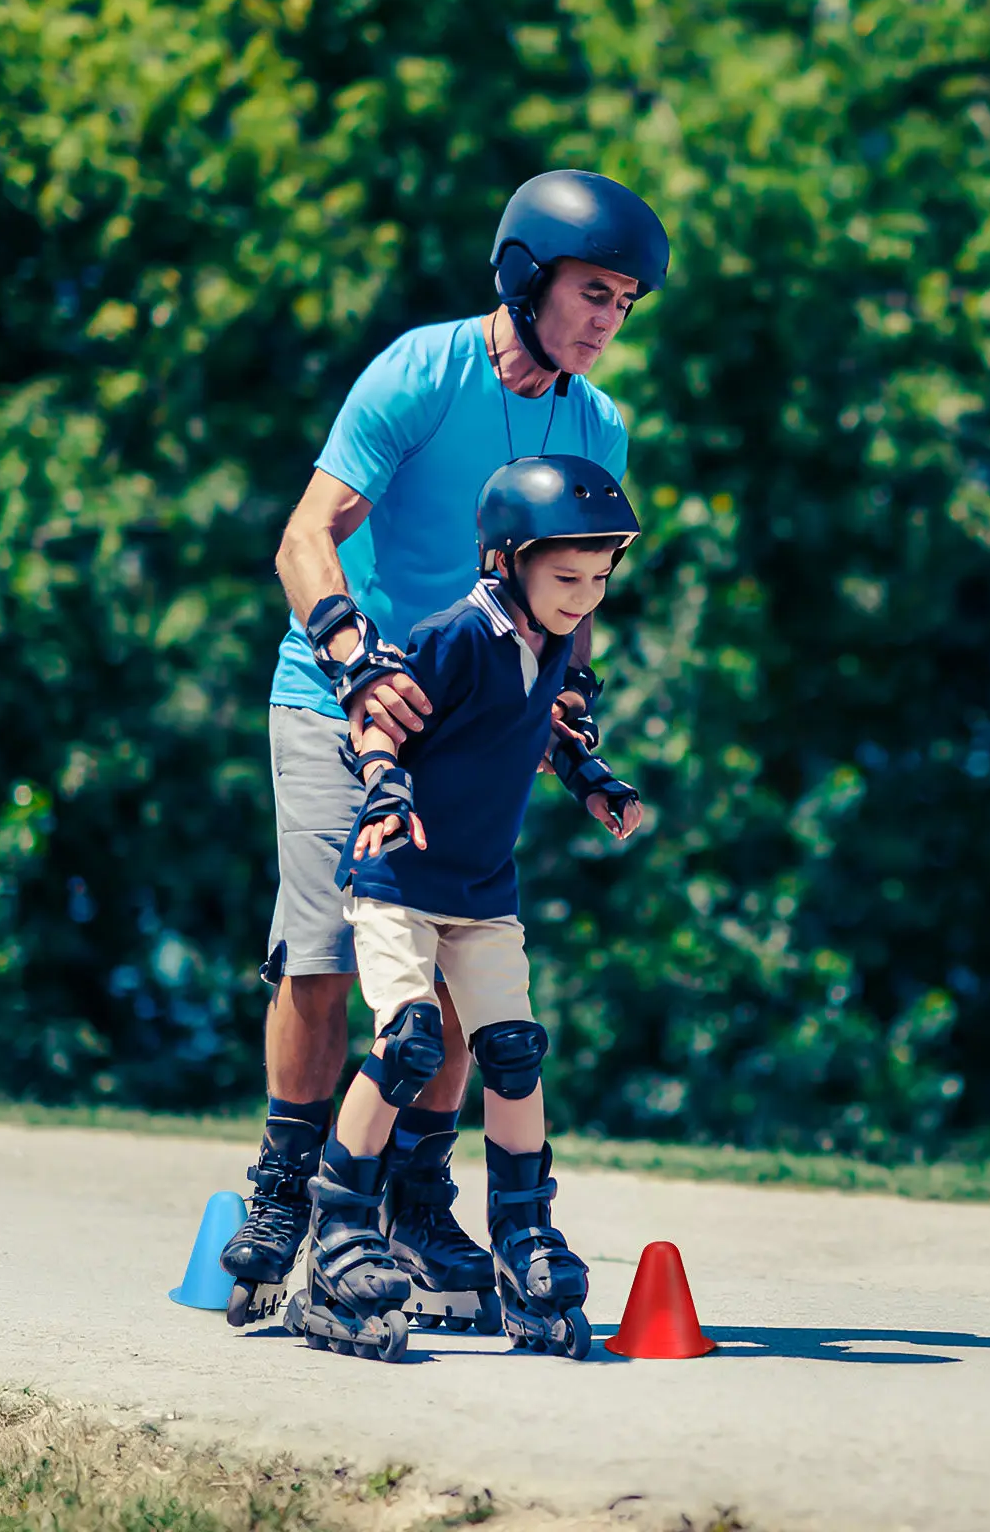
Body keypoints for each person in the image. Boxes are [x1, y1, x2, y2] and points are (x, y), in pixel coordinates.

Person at [221, 172, 670, 1328]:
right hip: (339, 699)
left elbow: (578, 581)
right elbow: (304, 537)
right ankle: (282, 1191)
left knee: (464, 959)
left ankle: (414, 1194)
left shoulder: (598, 421)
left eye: (624, 302)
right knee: (326, 955)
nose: (607, 320)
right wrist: (359, 662)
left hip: (477, 714)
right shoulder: (423, 371)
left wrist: (562, 698)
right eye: (591, 292)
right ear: (526, 278)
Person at [280, 454, 645, 1363]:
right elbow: (376, 716)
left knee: (514, 1052)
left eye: (600, 579)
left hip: (484, 889)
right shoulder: (456, 635)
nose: (585, 598)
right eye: (567, 577)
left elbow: (546, 729)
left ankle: (522, 1236)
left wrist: (592, 783)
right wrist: (385, 791)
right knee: (407, 1042)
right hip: (403, 880)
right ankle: (342, 1233)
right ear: (504, 562)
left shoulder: (554, 638)